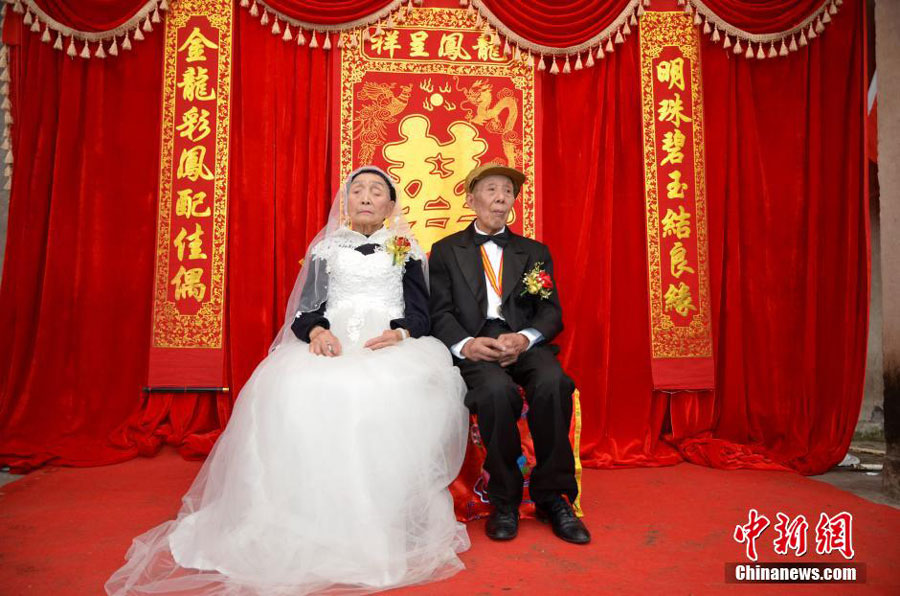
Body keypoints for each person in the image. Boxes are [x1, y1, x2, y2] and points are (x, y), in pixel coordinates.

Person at [106, 166, 470, 595]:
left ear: (392, 206)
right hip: (331, 344)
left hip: (387, 345)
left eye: (377, 192)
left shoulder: (406, 249)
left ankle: (380, 523)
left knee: (390, 394)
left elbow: (422, 311)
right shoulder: (326, 249)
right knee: (294, 390)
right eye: (358, 191)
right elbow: (305, 309)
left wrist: (401, 332)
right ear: (346, 202)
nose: (367, 197)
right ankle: (305, 518)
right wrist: (317, 333)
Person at [428, 164, 590, 544]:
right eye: (491, 190)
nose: (501, 197)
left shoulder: (534, 252)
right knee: (495, 393)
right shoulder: (445, 251)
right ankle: (504, 499)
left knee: (554, 382)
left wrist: (526, 337)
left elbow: (551, 310)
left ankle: (555, 497)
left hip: (522, 343)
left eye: (508, 191)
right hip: (476, 344)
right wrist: (466, 344)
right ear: (471, 200)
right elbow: (439, 313)